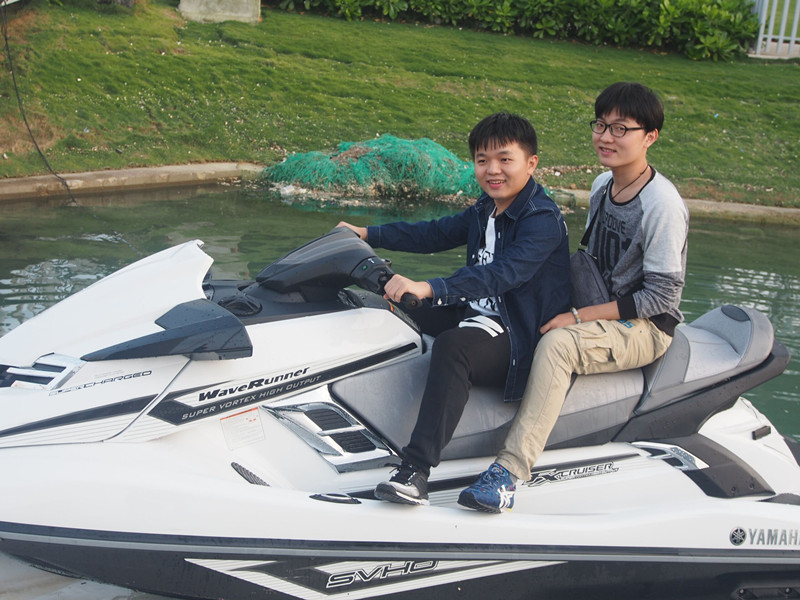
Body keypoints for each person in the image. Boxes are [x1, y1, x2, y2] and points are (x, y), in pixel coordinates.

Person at [459, 82, 689, 513]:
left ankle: (509, 472)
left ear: (650, 137)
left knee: (558, 344)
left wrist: (579, 317)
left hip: (643, 326)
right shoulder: (603, 185)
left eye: (621, 129)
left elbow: (661, 296)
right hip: (593, 304)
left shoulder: (662, 205)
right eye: (601, 125)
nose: (606, 137)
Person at [337, 112, 570, 506]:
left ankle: (416, 471)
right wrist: (366, 234)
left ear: (531, 163)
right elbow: (435, 232)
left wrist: (432, 287)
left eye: (505, 159)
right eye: (482, 160)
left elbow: (502, 275)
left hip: (515, 332)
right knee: (389, 300)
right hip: (474, 311)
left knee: (453, 346)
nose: (492, 170)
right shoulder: (486, 207)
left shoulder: (542, 220)